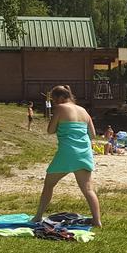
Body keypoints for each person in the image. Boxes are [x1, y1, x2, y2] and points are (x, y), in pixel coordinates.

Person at [33, 85, 101, 227]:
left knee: (49, 185)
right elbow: (93, 135)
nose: (54, 103)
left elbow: (50, 130)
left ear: (61, 98)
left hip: (67, 152)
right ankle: (97, 221)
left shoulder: (60, 108)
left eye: (54, 100)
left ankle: (38, 216)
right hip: (84, 153)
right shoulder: (83, 111)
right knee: (88, 189)